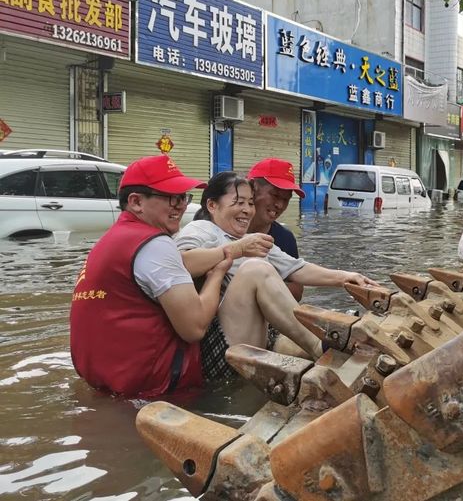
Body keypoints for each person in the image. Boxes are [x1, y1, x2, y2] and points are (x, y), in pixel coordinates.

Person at [70, 155, 231, 397]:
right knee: (250, 279)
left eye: (183, 197)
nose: (181, 206)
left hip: (108, 380)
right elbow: (195, 328)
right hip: (157, 387)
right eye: (172, 198)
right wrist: (217, 274)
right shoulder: (156, 243)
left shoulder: (110, 241)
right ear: (136, 202)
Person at [175, 171, 378, 363]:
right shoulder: (201, 228)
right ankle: (318, 345)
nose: (247, 210)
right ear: (212, 205)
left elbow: (297, 268)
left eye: (250, 203)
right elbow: (181, 264)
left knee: (311, 343)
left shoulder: (252, 239)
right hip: (216, 348)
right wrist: (237, 249)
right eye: (239, 202)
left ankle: (333, 344)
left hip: (255, 334)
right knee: (256, 269)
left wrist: (346, 278)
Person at [246, 158, 304, 301]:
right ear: (252, 188)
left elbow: (297, 291)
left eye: (286, 199)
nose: (280, 205)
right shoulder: (220, 227)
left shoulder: (285, 238)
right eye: (275, 195)